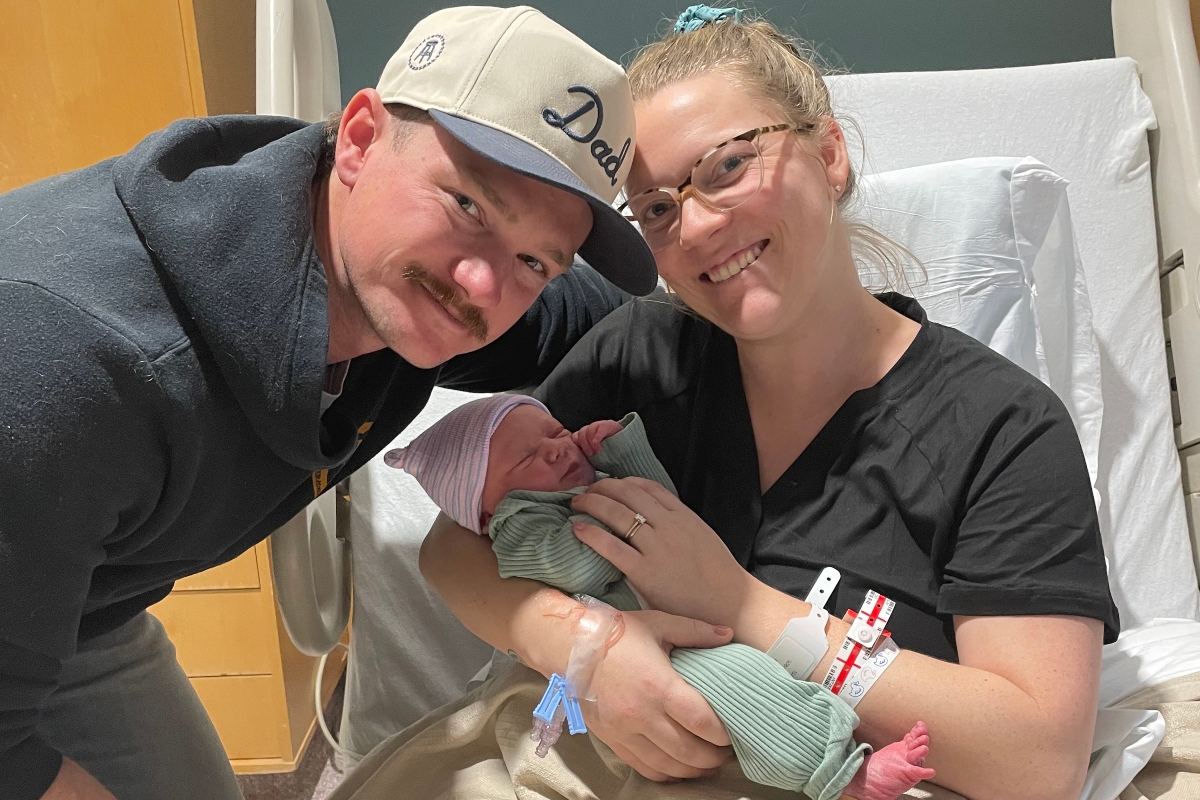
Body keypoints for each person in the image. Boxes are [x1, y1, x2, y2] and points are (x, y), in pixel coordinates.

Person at [418, 7, 1120, 800]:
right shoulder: (637, 358)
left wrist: (739, 602)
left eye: (725, 168)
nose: (698, 227)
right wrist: (587, 652)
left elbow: (1038, 761)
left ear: (830, 154)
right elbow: (452, 546)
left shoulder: (998, 430)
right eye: (656, 209)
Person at [0, 6, 664, 800]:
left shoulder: (414, 284)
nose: (483, 286)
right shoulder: (71, 362)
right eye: (468, 207)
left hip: (77, 608)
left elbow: (607, 315)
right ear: (358, 138)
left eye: (532, 260)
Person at [385, 392, 935, 800]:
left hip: (679, 636)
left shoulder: (583, 486)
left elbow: (660, 507)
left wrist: (623, 454)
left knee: (763, 678)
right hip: (651, 658)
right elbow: (580, 562)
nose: (555, 450)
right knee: (744, 689)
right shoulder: (517, 526)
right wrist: (618, 516)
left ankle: (833, 748)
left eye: (555, 431)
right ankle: (841, 776)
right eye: (527, 459)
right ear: (483, 512)